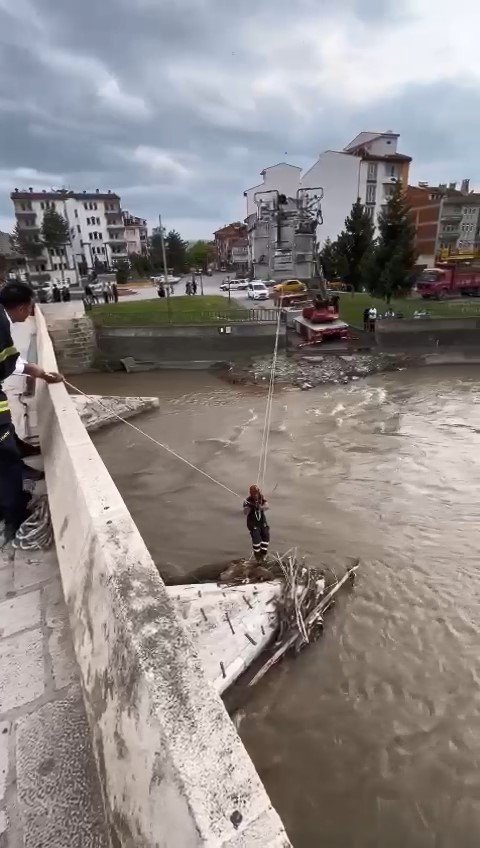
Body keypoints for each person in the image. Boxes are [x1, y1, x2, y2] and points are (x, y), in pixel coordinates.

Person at [0, 282, 63, 540]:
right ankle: (14, 516)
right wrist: (35, 371)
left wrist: (36, 372)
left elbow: (9, 360)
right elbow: (6, 362)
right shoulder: (1, 324)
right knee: (6, 458)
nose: (30, 315)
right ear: (23, 307)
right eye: (30, 309)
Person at [243, 484, 270, 561]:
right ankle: (257, 556)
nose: (256, 494)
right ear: (251, 493)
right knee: (256, 539)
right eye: (254, 493)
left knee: (266, 536)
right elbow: (245, 512)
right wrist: (250, 507)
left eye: (257, 492)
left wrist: (261, 507)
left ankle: (263, 554)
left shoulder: (261, 498)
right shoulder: (247, 501)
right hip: (253, 522)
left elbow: (267, 506)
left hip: (262, 521)